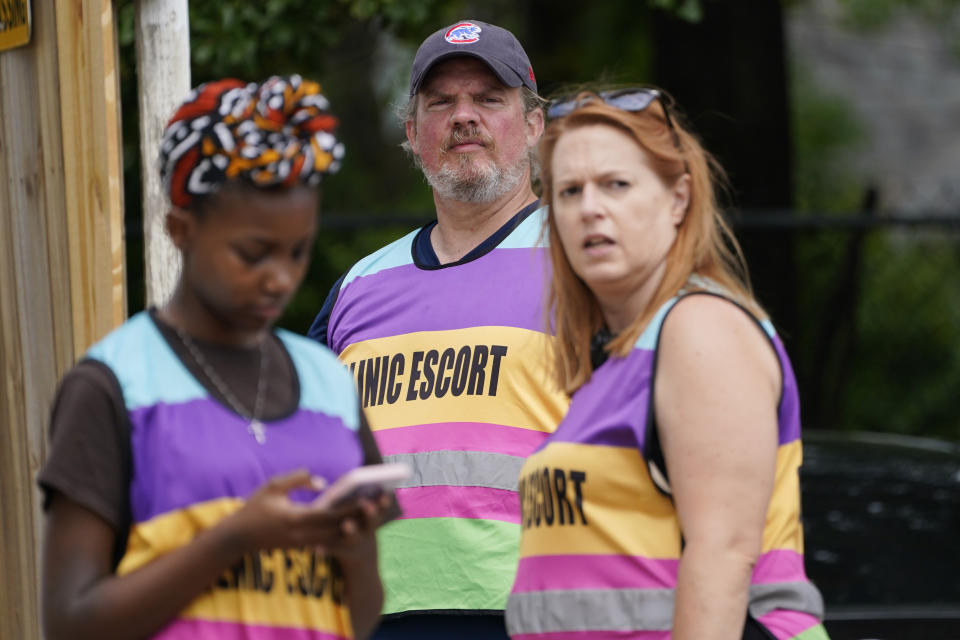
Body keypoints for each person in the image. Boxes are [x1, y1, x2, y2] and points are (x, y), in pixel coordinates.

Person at [38, 75, 394, 640]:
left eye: (299, 251)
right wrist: (234, 538)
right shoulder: (115, 385)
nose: (280, 278)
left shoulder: (329, 382)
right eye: (253, 254)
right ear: (180, 229)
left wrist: (352, 550)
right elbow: (69, 622)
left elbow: (360, 614)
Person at [505, 88, 830, 640]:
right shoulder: (620, 356)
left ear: (678, 199)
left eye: (616, 184)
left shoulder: (700, 328)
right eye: (569, 190)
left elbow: (722, 555)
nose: (589, 208)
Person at [307, 20, 568, 640]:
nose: (464, 116)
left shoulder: (586, 262)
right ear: (412, 132)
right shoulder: (357, 287)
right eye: (441, 102)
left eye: (488, 98)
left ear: (533, 126)